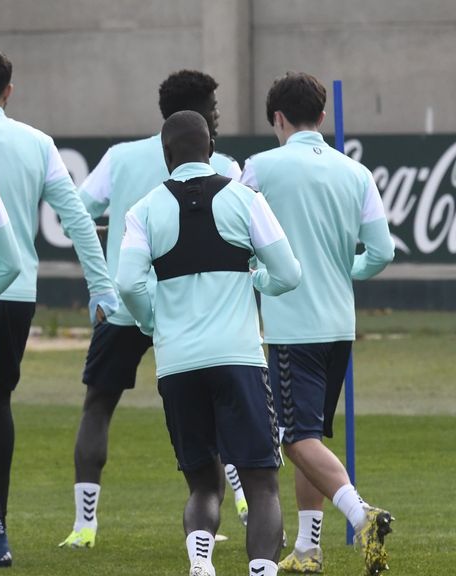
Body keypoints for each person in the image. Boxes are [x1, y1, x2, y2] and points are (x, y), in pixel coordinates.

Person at [60, 69, 248, 550]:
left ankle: (85, 526)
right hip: (192, 310)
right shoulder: (224, 163)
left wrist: (109, 249)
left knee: (98, 405)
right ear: (201, 114)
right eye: (215, 107)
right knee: (217, 405)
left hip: (126, 302)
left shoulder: (121, 157)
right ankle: (238, 507)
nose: (219, 116)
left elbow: (77, 212)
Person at [0, 48, 117, 566]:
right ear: (9, 90)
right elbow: (78, 220)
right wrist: (102, 289)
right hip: (18, 291)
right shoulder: (38, 142)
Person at [118, 110, 301, 576]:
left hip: (177, 364)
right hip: (238, 357)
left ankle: (201, 564)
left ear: (166, 155)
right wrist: (257, 277)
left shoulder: (143, 210)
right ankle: (262, 570)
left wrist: (152, 322)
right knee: (262, 483)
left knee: (202, 485)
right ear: (212, 147)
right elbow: (289, 273)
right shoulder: (244, 198)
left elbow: (129, 285)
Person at [241, 72, 395, 576]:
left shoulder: (260, 167)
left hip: (292, 325)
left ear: (278, 119)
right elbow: (383, 252)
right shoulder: (356, 172)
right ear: (323, 117)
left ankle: (361, 512)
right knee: (311, 438)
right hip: (339, 324)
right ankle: (308, 550)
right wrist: (343, 271)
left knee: (294, 438)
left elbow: (236, 234)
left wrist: (259, 277)